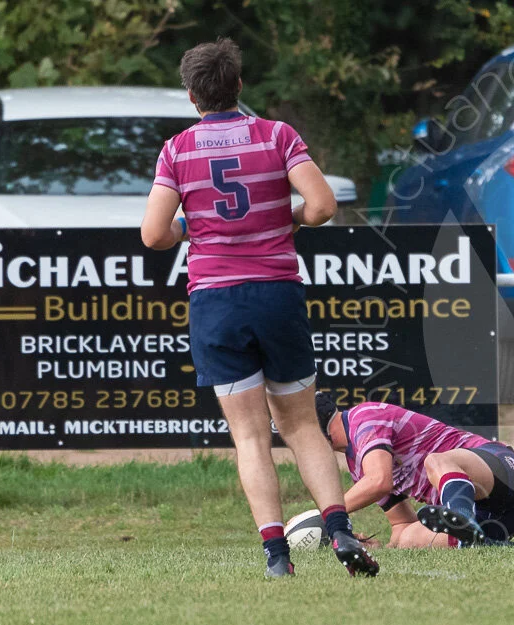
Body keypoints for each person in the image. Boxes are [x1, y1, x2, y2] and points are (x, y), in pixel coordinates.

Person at [140, 38, 377, 578]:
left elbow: (153, 235)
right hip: (277, 294)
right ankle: (339, 529)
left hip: (216, 301)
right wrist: (286, 217)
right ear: (238, 86)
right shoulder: (277, 135)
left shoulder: (177, 150)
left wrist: (190, 228)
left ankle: (276, 556)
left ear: (191, 95)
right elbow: (321, 205)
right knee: (301, 427)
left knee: (250, 435)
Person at [312, 393, 514, 548]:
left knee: (435, 460)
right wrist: (380, 547)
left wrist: (325, 512)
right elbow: (401, 523)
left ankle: (461, 520)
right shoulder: (357, 465)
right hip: (496, 520)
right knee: (407, 540)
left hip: (502, 471)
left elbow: (380, 481)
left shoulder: (364, 417)